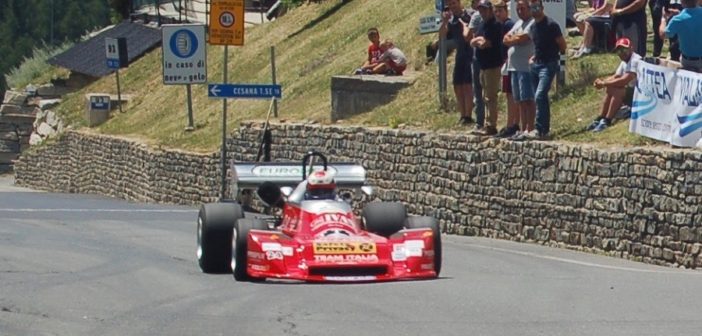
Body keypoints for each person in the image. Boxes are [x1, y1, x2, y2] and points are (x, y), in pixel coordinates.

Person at [527, 0, 567, 140]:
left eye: (537, 7)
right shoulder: (532, 27)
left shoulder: (551, 24)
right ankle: (543, 129)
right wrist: (533, 58)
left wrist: (555, 58)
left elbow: (562, 45)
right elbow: (537, 45)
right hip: (536, 65)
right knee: (539, 98)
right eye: (532, 7)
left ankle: (540, 128)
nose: (534, 9)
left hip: (548, 64)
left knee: (540, 95)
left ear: (542, 8)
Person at [587, 37, 641, 132]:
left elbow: (624, 80)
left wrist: (604, 83)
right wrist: (602, 82)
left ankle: (607, 120)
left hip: (640, 93)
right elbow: (616, 76)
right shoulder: (625, 62)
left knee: (617, 92)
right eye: (619, 51)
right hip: (632, 91)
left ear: (631, 48)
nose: (622, 53)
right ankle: (601, 117)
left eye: (624, 49)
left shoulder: (635, 60)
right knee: (610, 89)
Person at [503, 0, 536, 140]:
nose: (520, 11)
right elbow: (505, 38)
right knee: (520, 100)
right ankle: (523, 129)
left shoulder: (532, 23)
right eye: (518, 9)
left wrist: (513, 39)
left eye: (523, 8)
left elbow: (524, 38)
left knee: (528, 99)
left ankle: (531, 127)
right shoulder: (518, 23)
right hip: (514, 68)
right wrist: (513, 39)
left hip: (525, 68)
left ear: (530, 8)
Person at [471, 0, 504, 136]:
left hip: (492, 65)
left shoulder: (495, 25)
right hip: (483, 65)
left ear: (490, 10)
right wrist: (478, 41)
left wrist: (479, 41)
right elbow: (473, 41)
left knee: (490, 96)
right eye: (480, 10)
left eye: (484, 9)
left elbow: (485, 43)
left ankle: (491, 125)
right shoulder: (482, 25)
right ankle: (486, 123)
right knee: (484, 96)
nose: (482, 12)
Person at [440, 0, 476, 125]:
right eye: (449, 5)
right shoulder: (451, 20)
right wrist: (444, 21)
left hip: (471, 53)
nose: (452, 7)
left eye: (454, 3)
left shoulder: (470, 14)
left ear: (459, 3)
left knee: (467, 85)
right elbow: (442, 35)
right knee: (457, 85)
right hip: (460, 54)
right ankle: (462, 114)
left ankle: (468, 115)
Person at [494, 0, 519, 138]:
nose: (498, 14)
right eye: (496, 11)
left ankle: (512, 124)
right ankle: (510, 123)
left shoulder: (509, 24)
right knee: (508, 94)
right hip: (505, 62)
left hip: (510, 63)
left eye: (500, 11)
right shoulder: (501, 25)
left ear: (506, 11)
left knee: (511, 94)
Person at [664, 0, 702, 72]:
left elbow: (663, 35)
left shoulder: (678, 19)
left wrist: (663, 19)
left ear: (681, 2)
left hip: (687, 61)